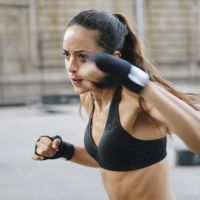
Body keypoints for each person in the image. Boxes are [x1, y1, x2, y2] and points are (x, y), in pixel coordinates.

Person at [32, 10, 200, 200]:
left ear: (114, 59)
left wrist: (140, 82)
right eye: (67, 55)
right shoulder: (90, 97)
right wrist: (64, 150)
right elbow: (108, 159)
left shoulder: (139, 101)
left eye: (82, 56)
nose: (71, 66)